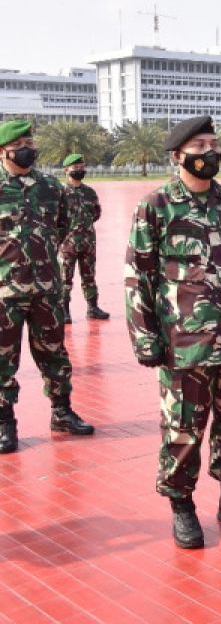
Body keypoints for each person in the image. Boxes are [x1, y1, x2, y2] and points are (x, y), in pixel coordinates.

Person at [124, 115, 221, 548]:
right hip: (183, 345)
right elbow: (138, 276)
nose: (210, 153)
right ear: (178, 156)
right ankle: (182, 506)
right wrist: (145, 337)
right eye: (199, 148)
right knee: (183, 429)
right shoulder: (155, 206)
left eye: (213, 145)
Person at [0, 120, 95, 454]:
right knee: (2, 359)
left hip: (46, 288)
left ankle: (62, 411)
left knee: (54, 353)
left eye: (31, 141)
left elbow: (62, 224)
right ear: (4, 150)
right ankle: (4, 422)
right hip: (5, 292)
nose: (29, 147)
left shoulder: (50, 187)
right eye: (21, 142)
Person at [58, 152, 110, 323]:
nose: (79, 170)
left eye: (82, 167)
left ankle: (93, 308)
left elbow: (96, 213)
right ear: (67, 170)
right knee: (65, 278)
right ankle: (64, 311)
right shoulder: (61, 192)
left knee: (89, 276)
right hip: (67, 243)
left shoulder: (90, 192)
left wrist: (83, 227)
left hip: (88, 242)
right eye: (75, 168)